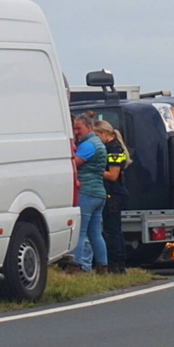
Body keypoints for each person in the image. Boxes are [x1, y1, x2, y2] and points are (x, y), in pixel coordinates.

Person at [69, 115, 109, 275]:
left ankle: (75, 265)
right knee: (95, 233)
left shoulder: (88, 145)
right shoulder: (98, 143)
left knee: (80, 231)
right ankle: (103, 267)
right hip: (99, 192)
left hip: (87, 191)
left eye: (79, 128)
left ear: (89, 127)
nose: (76, 132)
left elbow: (73, 164)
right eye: (74, 128)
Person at [95, 120, 130, 274]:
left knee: (112, 231)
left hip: (113, 193)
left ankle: (116, 265)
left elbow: (113, 175)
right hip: (114, 192)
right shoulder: (111, 147)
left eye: (97, 136)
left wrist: (95, 170)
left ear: (104, 133)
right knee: (115, 230)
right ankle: (119, 265)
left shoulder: (114, 149)